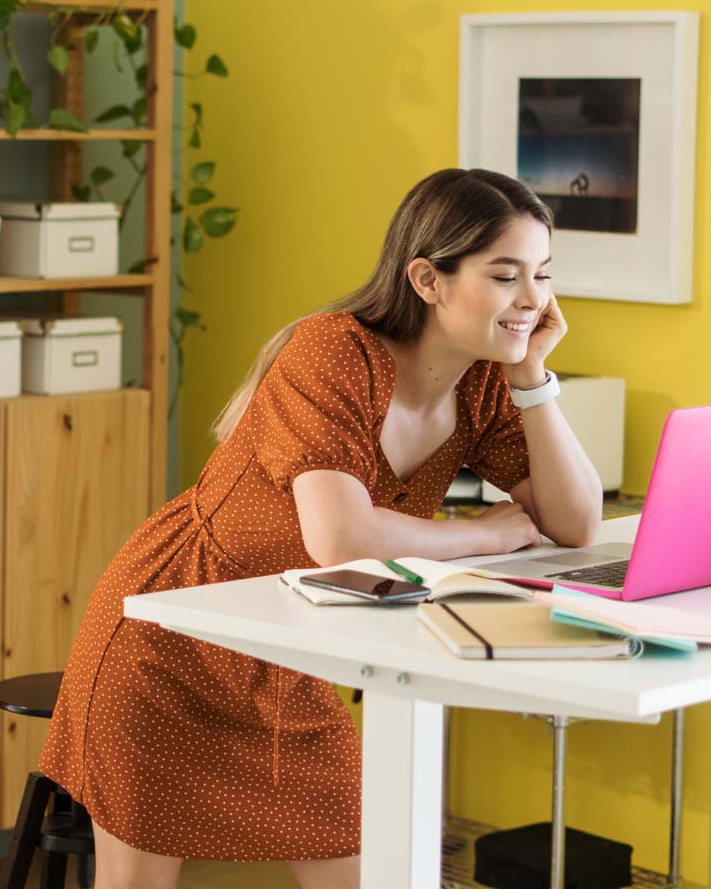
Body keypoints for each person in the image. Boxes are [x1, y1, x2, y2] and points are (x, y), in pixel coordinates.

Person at [39, 167, 603, 889]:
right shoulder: (333, 351)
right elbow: (340, 539)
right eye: (505, 276)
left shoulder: (487, 381)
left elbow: (576, 522)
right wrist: (486, 536)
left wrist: (533, 378)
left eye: (543, 275)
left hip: (288, 655)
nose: (533, 300)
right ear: (428, 280)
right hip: (167, 641)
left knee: (375, 870)